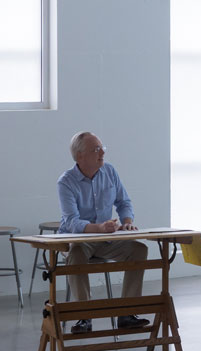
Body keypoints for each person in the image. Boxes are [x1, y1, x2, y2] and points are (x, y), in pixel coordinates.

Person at [56, 131, 149, 335]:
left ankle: (127, 313)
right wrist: (98, 228)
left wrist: (127, 222)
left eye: (102, 148)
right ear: (80, 156)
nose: (102, 153)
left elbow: (124, 202)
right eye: (96, 149)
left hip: (106, 239)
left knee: (139, 250)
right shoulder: (66, 182)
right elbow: (72, 222)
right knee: (76, 253)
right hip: (79, 239)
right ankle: (84, 316)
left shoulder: (110, 171)